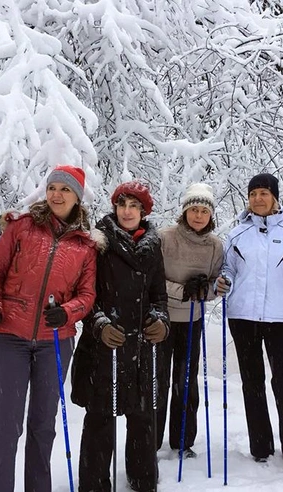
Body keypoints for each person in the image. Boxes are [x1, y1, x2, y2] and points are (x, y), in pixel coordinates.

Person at [0, 165, 98, 492]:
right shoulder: (22, 228)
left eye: (65, 189)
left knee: (43, 425)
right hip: (10, 337)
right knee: (6, 424)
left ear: (77, 197)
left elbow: (87, 295)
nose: (57, 194)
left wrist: (69, 312)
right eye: (53, 187)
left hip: (55, 343)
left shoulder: (85, 246)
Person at [214, 172, 283, 485]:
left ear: (275, 197)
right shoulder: (236, 235)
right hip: (243, 317)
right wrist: (225, 283)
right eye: (254, 193)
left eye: (264, 193)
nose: (258, 198)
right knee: (252, 382)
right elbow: (228, 270)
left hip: (281, 318)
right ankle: (260, 447)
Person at [71, 180, 169, 492]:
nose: (127, 211)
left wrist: (161, 320)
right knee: (101, 417)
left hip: (141, 348)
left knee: (142, 417)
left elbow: (159, 295)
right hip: (105, 347)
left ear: (144, 211)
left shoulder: (153, 247)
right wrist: (99, 323)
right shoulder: (97, 243)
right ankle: (94, 482)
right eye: (122, 204)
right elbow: (84, 294)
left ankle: (143, 479)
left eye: (134, 206)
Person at [156, 183, 223, 456]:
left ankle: (183, 441)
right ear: (184, 212)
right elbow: (152, 281)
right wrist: (182, 290)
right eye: (193, 209)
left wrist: (205, 289)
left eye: (204, 211)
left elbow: (218, 284)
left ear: (210, 215)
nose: (198, 215)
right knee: (157, 381)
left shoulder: (215, 246)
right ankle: (150, 439)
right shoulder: (164, 238)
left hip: (192, 321)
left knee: (185, 381)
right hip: (160, 321)